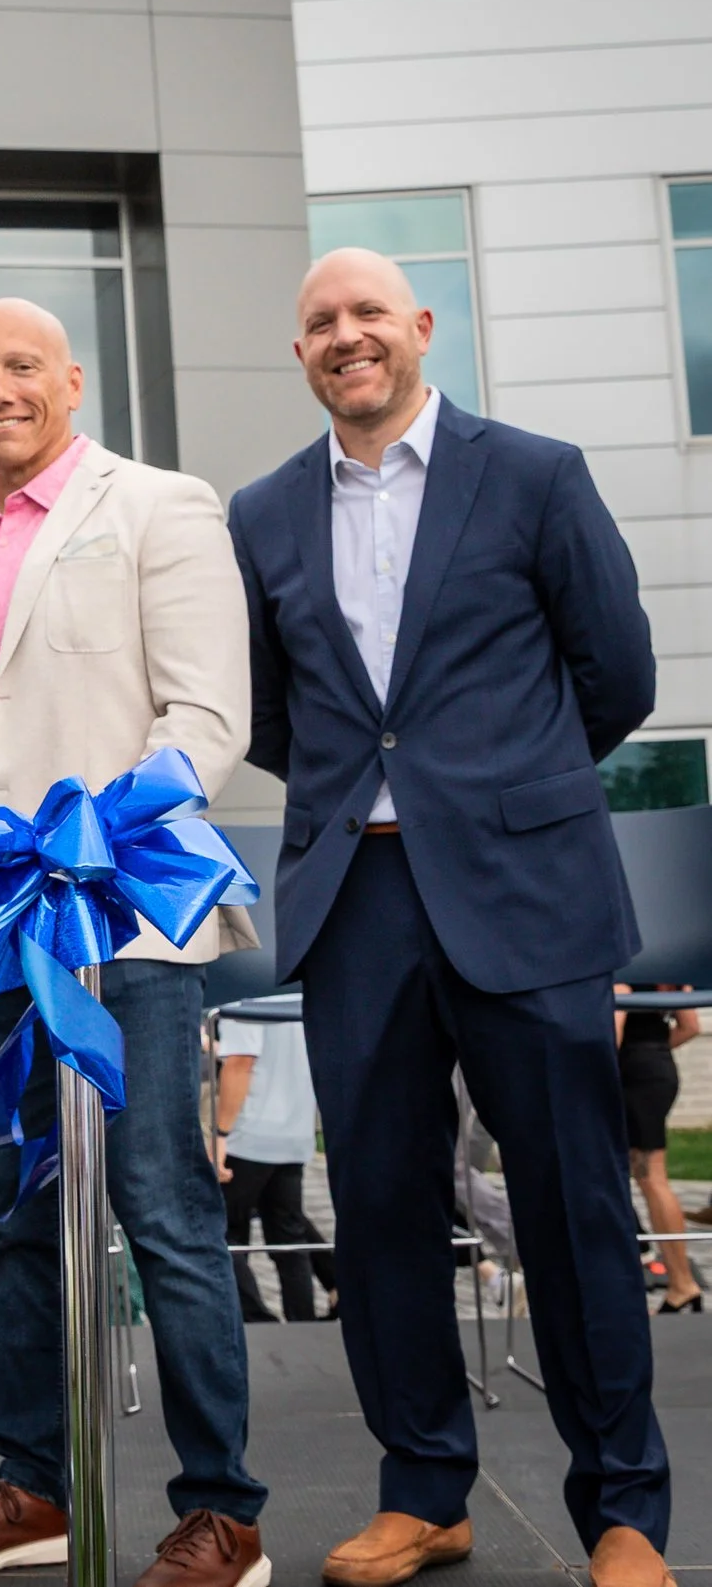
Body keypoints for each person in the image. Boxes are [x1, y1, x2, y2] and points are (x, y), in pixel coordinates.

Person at [231, 246, 670, 1587]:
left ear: (420, 327)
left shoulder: (535, 474)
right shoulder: (262, 512)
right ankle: (425, 1491)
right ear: (299, 354)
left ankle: (624, 1511)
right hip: (355, 899)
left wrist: (492, 792)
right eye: (321, 322)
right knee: (379, 1206)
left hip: (524, 891)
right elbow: (268, 713)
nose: (347, 336)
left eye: (369, 312)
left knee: (571, 1202)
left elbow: (618, 674)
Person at [0, 299, 267, 1587]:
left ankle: (221, 1512)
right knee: (9, 1214)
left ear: (71, 380)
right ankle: (32, 1487)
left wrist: (83, 843)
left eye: (18, 366)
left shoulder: (160, 507)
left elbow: (206, 721)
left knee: (160, 1206)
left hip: (124, 922)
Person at [211, 1019, 336, 1322]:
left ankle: (255, 1320)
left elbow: (240, 1062)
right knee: (289, 1238)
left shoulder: (242, 1003)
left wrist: (220, 1134)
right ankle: (302, 1323)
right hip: (294, 1132)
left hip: (249, 1136)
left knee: (221, 1229)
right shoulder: (294, 996)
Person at [617, 986, 702, 1311]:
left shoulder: (624, 974)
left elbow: (612, 1035)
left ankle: (682, 1284)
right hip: (658, 1069)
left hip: (635, 1076)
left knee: (651, 1177)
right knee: (646, 1176)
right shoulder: (669, 974)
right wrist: (653, 1051)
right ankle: (679, 1282)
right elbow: (690, 1026)